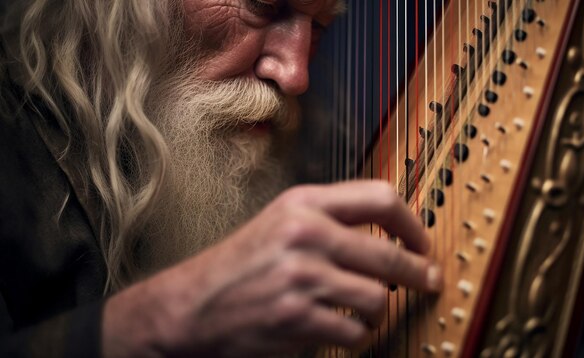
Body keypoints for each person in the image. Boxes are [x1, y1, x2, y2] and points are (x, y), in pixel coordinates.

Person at [0, 0, 443, 356]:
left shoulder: (306, 143)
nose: (295, 75)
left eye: (320, 25)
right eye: (264, 7)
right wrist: (165, 315)